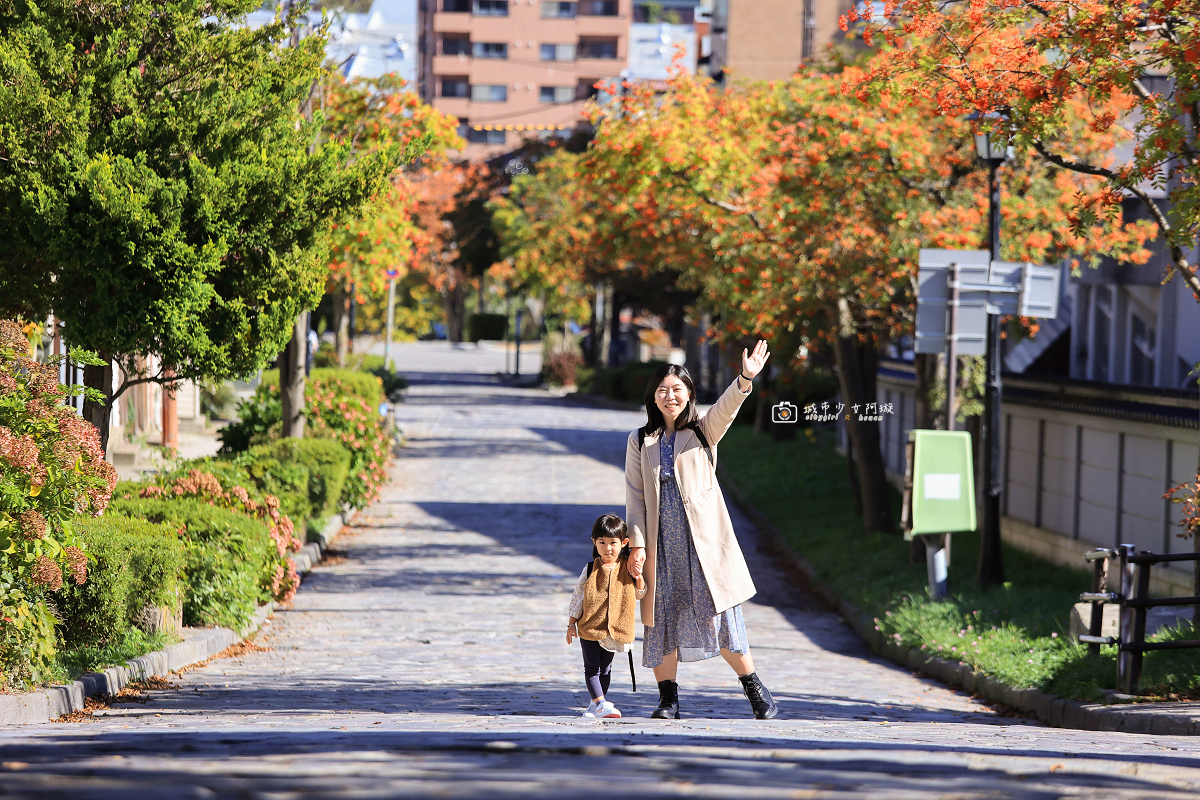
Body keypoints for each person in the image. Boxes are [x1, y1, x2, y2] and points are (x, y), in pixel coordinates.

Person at [624, 340, 778, 720]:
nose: (670, 396)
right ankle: (668, 700)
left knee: (721, 617)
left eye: (677, 389)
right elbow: (635, 498)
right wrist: (637, 546)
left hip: (703, 545)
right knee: (661, 620)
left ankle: (755, 688)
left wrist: (745, 379)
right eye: (662, 390)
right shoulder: (640, 440)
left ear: (689, 394)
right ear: (653, 397)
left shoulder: (703, 431)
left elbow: (726, 408)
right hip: (661, 548)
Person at [567, 514, 647, 719]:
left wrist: (638, 577)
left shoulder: (627, 568)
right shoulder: (590, 569)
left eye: (613, 543)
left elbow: (640, 594)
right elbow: (578, 597)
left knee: (605, 669)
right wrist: (571, 624)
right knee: (592, 668)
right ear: (594, 542)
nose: (607, 548)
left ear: (624, 543)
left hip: (614, 629)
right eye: (602, 542)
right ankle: (601, 704)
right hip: (590, 626)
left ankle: (594, 706)